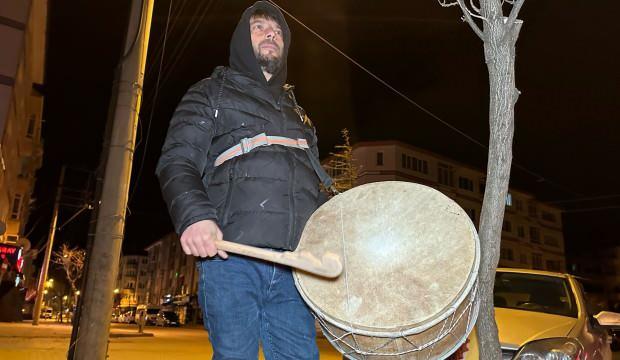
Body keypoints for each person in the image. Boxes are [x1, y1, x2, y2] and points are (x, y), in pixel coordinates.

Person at [156, 2, 326, 359]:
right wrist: (195, 216)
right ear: (240, 39)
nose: (271, 34)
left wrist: (332, 238)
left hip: (296, 269)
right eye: (260, 27)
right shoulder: (210, 93)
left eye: (278, 32)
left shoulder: (299, 115)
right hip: (233, 259)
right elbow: (177, 160)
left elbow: (315, 187)